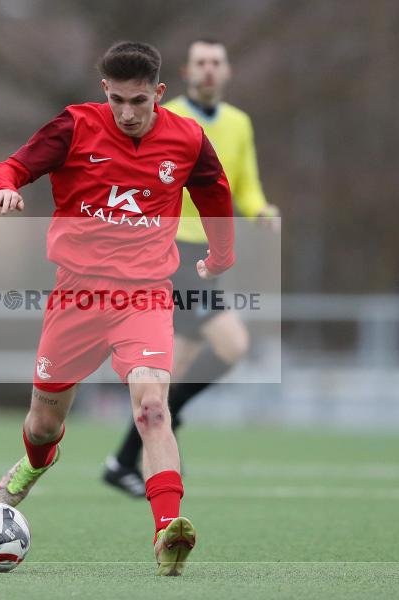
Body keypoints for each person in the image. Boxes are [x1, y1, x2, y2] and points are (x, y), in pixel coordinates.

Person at [0, 41, 235, 575]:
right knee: (43, 424)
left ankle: (167, 532)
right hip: (76, 296)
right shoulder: (74, 126)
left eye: (138, 101)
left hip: (144, 296)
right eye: (117, 100)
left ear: (158, 93)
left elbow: (215, 192)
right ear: (105, 91)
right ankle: (34, 465)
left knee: (153, 408)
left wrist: (222, 254)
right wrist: (2, 188)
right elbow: (12, 167)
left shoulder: (187, 138)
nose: (127, 113)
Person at [102, 39, 280, 498]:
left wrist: (261, 210)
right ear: (185, 72)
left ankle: (124, 460)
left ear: (227, 71)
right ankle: (154, 434)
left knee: (172, 369)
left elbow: (244, 187)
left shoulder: (239, 123)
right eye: (200, 62)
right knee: (232, 343)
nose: (208, 69)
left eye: (216, 62)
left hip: (209, 256)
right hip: (170, 250)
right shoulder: (164, 117)